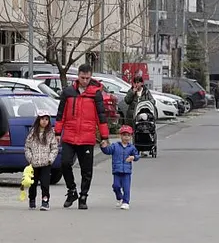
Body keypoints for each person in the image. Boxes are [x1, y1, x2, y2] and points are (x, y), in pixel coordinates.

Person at [55, 63, 110, 210]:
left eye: (87, 78)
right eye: (82, 77)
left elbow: (101, 117)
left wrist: (104, 136)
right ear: (78, 76)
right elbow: (60, 114)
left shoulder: (95, 94)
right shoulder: (68, 93)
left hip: (87, 137)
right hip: (70, 136)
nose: (85, 80)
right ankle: (72, 190)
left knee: (86, 170)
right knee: (65, 164)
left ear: (91, 77)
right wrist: (57, 133)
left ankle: (83, 196)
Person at [24, 110, 59, 211]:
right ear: (38, 120)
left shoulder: (50, 133)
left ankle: (45, 201)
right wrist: (30, 158)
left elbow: (54, 148)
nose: (44, 121)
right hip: (34, 163)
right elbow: (27, 147)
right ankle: (32, 200)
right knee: (33, 184)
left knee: (45, 184)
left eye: (46, 119)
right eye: (42, 119)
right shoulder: (32, 133)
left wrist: (50, 159)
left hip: (45, 163)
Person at [100, 124, 140, 210]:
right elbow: (108, 151)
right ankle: (119, 197)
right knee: (116, 186)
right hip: (117, 170)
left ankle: (126, 202)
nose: (126, 137)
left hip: (126, 171)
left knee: (126, 187)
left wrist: (133, 157)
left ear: (131, 137)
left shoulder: (131, 148)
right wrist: (104, 147)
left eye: (128, 135)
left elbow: (137, 155)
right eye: (124, 135)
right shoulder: (115, 146)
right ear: (120, 136)